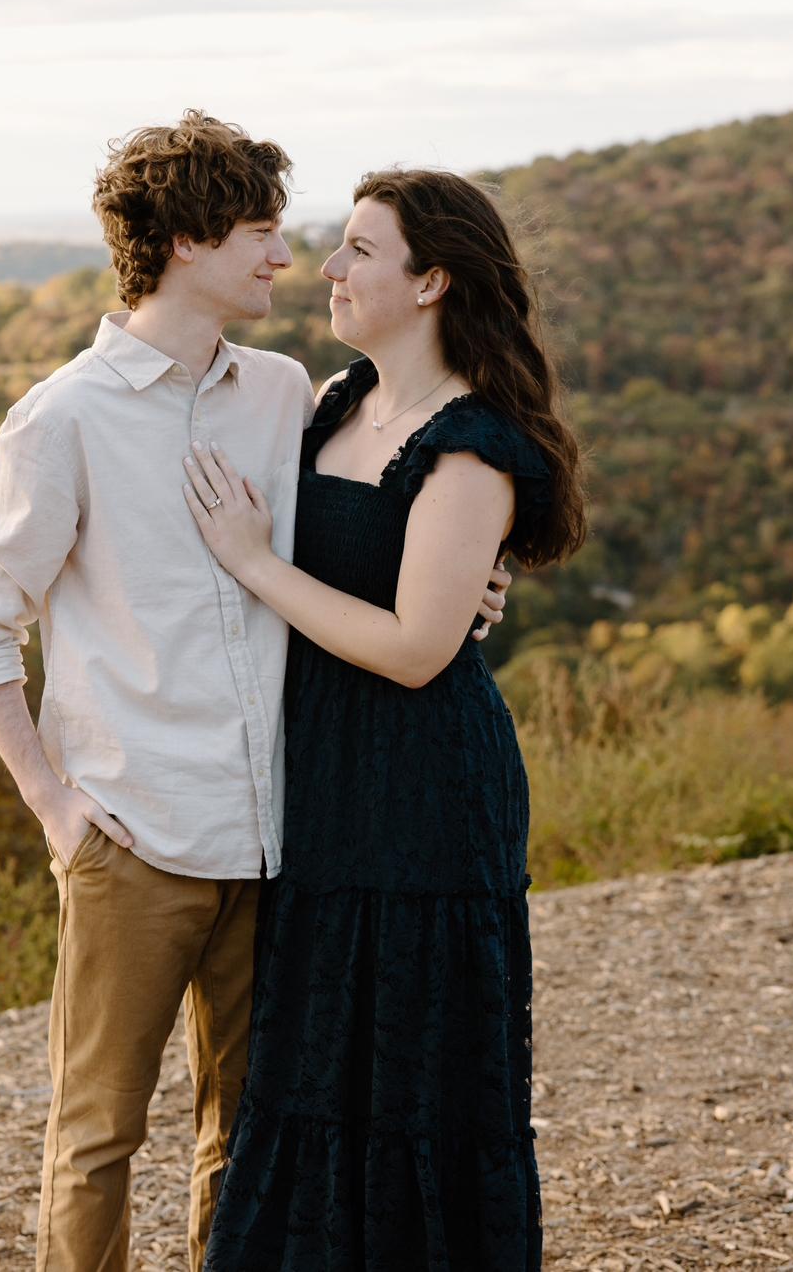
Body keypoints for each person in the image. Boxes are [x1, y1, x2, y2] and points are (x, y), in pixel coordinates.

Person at [0, 113, 511, 1272]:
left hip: (282, 838)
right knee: (97, 1134)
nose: (284, 259)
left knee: (249, 1137)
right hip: (135, 833)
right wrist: (55, 807)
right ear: (192, 241)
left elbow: (371, 527)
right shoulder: (65, 417)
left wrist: (470, 589)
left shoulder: (288, 390)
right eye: (261, 232)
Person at [183, 169, 587, 1270]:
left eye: (360, 249)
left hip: (422, 792)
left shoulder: (472, 442)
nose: (329, 267)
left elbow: (415, 650)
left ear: (431, 280)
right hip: (322, 781)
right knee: (310, 1066)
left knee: (411, 1077)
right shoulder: (330, 401)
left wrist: (256, 564)